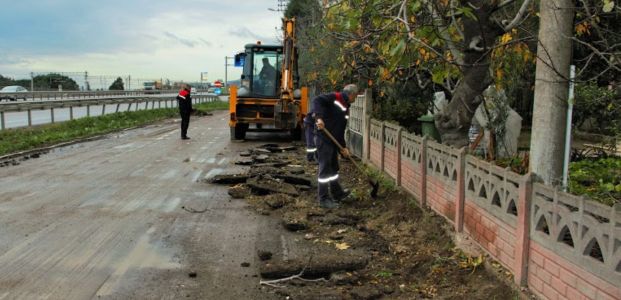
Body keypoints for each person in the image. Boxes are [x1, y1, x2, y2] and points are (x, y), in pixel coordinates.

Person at [313, 84, 360, 208]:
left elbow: (339, 129)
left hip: (333, 141)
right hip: (324, 138)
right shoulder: (336, 97)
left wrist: (342, 148)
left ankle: (337, 193)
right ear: (351, 94)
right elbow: (317, 100)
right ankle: (323, 199)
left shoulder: (346, 107)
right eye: (356, 95)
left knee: (333, 168)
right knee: (325, 168)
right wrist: (319, 118)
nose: (356, 98)